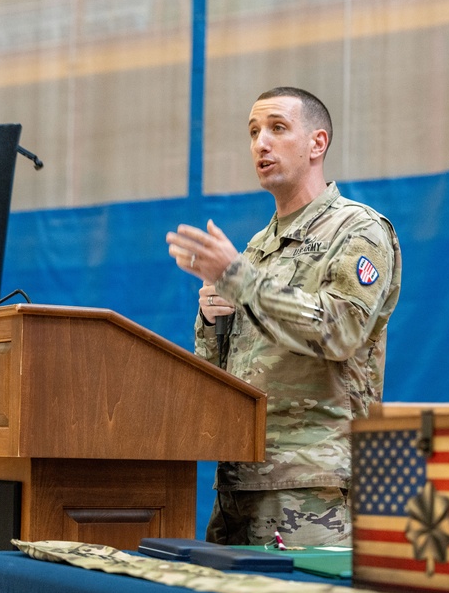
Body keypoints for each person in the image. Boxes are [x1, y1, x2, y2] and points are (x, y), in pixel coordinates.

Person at [165, 87, 401, 547]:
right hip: (238, 486)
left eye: (276, 128)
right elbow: (221, 375)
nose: (261, 143)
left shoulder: (358, 229)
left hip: (314, 489)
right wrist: (212, 322)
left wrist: (240, 280)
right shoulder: (254, 249)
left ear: (317, 143)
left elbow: (340, 332)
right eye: (253, 132)